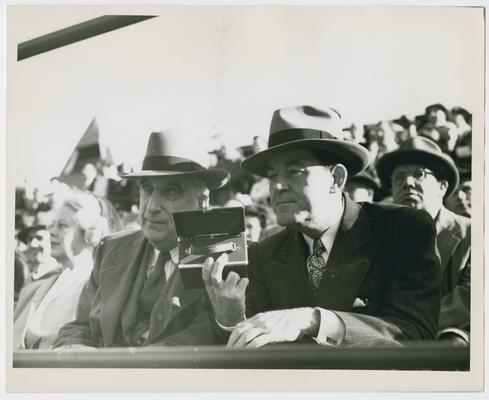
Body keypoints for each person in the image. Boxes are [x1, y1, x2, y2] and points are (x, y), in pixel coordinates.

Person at [203, 105, 441, 348]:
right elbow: (247, 357)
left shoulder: (402, 231)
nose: (278, 186)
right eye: (273, 176)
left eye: (294, 172)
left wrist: (313, 319)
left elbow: (415, 334)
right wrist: (231, 318)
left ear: (336, 178)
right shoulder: (262, 255)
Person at [53, 130, 230, 348]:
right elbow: (79, 327)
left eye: (171, 192)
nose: (152, 206)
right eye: (147, 189)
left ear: (202, 203)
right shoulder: (110, 249)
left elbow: (221, 337)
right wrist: (75, 350)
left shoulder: (224, 257)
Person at [376, 137, 471, 345]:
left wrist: (406, 328)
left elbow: (471, 299)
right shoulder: (375, 239)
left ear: (442, 187)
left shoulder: (473, 234)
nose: (407, 183)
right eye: (399, 177)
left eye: (419, 175)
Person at [14, 191, 114, 349]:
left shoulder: (102, 286)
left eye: (62, 226)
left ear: (89, 233)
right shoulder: (38, 288)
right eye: (52, 225)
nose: (52, 232)